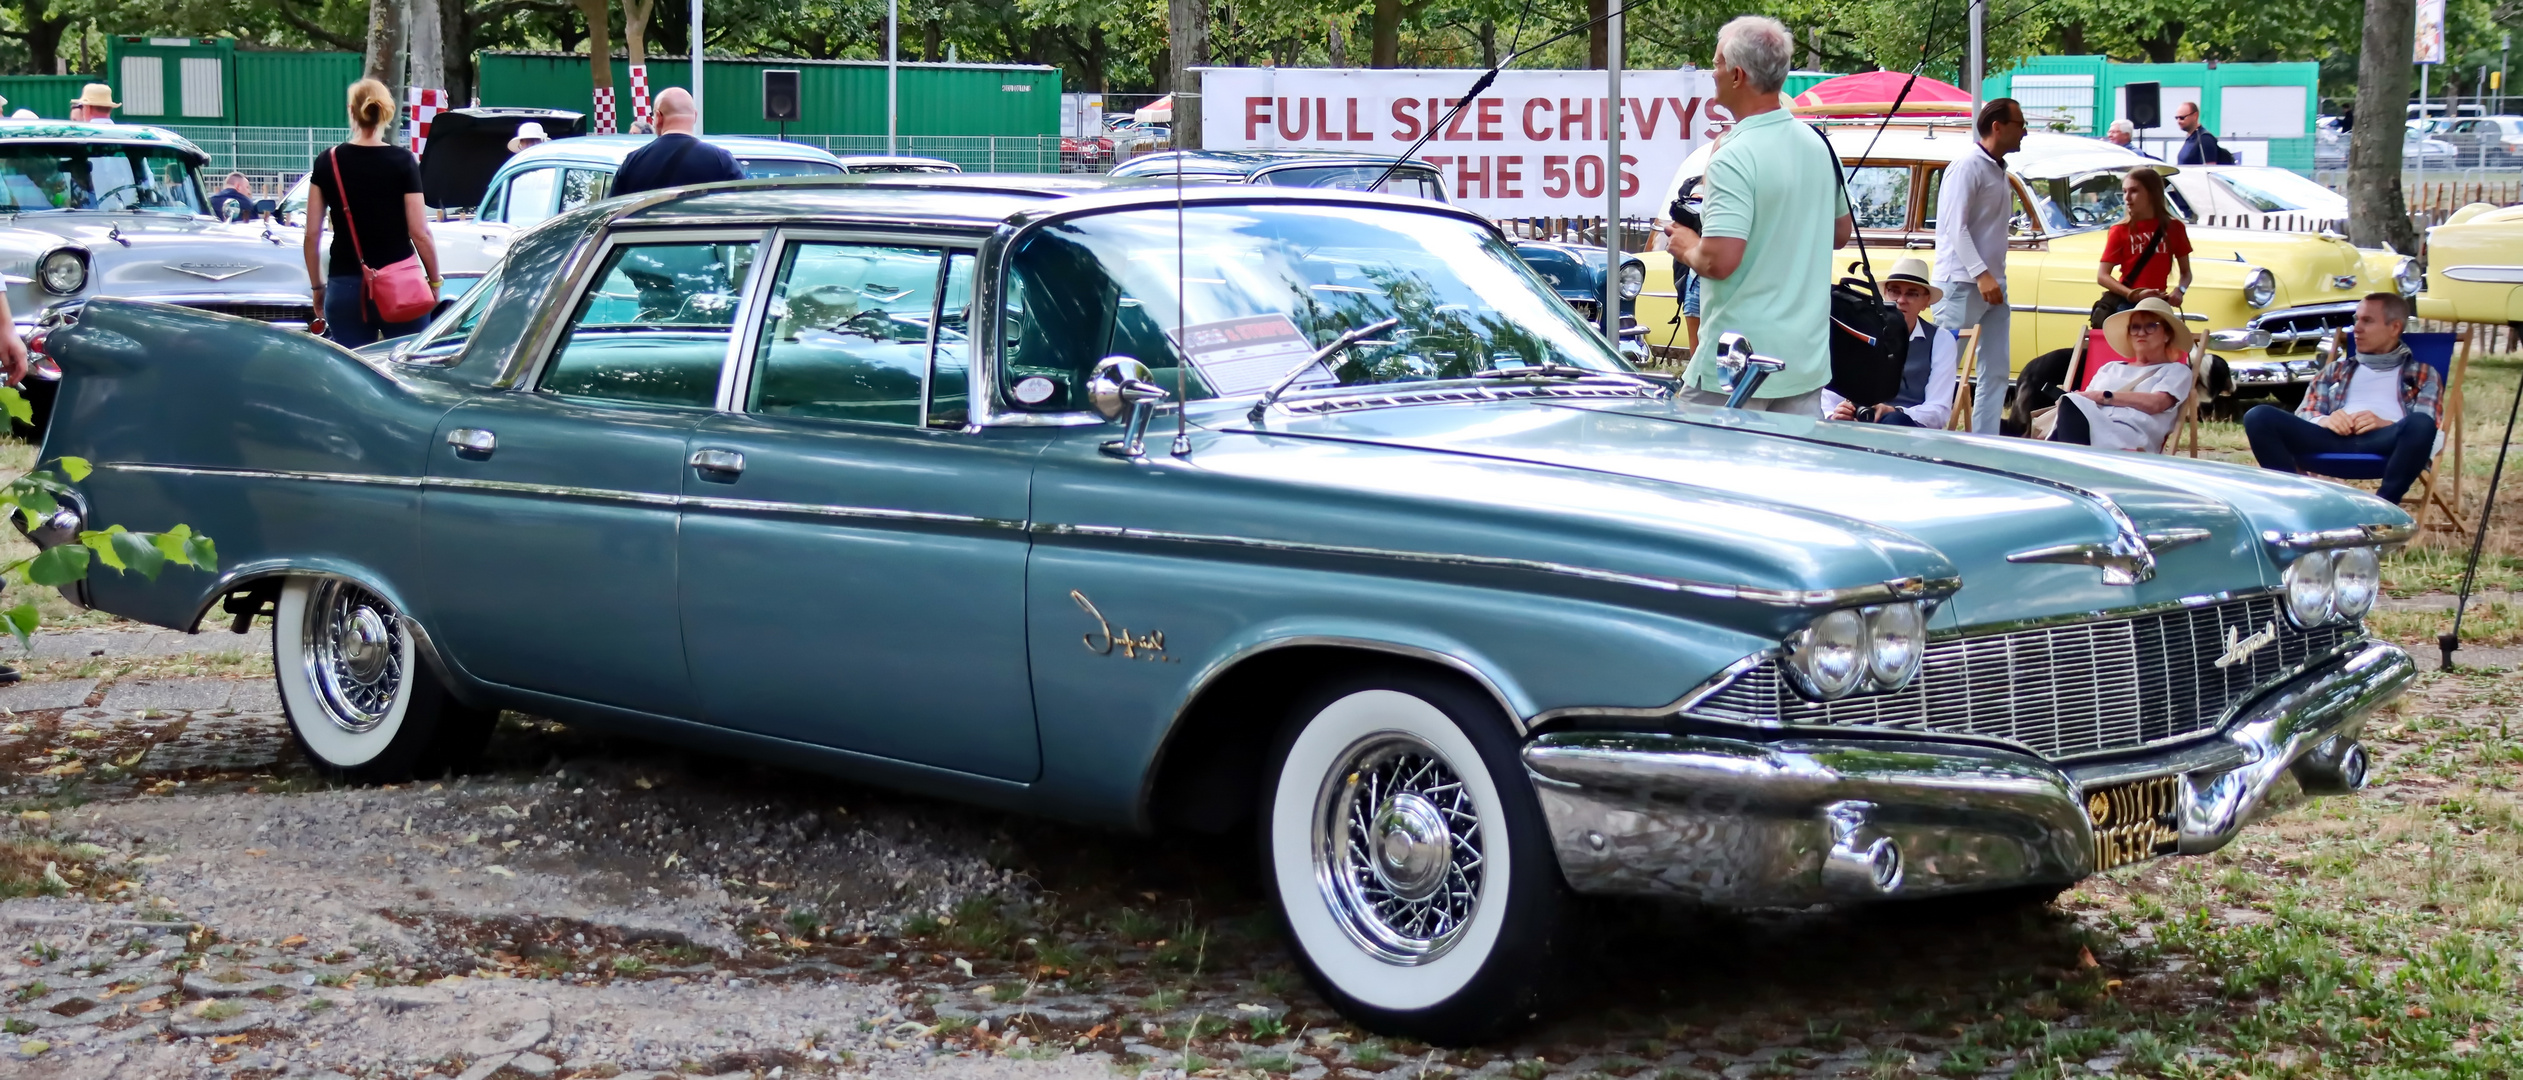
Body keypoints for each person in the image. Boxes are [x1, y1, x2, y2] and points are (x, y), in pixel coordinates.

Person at [1667, 15, 1853, 415]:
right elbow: (1840, 233)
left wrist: (1685, 246)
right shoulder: (1820, 145)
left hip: (1738, 362)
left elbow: (1719, 261)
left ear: (1737, 75)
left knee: (1701, 470)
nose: (1711, 73)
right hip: (1805, 358)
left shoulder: (1734, 154)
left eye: (1715, 64)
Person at [2242, 293, 2443, 504]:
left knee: (2421, 424)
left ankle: (2383, 507)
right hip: (2332, 438)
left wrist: (2387, 424)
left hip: (2385, 442)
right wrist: (2324, 420)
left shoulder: (2421, 373)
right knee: (2259, 416)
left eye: (2367, 321)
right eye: (2357, 320)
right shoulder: (2335, 370)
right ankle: (2298, 499)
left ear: (2394, 328)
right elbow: (2305, 411)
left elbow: (2429, 425)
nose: (2356, 328)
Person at [304, 78, 441, 348]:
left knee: (353, 375)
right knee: (405, 372)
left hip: (345, 287)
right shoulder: (403, 161)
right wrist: (435, 282)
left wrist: (318, 288)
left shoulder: (327, 161)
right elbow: (419, 232)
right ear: (388, 111)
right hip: (402, 285)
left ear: (350, 110)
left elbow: (311, 234)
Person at [1931, 97, 2026, 433]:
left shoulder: (1999, 169)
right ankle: (1923, 431)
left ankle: (1987, 440)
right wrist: (1981, 273)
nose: (2024, 132)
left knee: (1997, 368)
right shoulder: (1967, 166)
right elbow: (1955, 227)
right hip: (1961, 283)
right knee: (1943, 367)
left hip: (1992, 284)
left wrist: (1991, 277)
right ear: (1997, 127)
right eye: (2020, 124)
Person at [1823, 258, 1956, 428]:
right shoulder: (1863, 331)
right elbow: (1830, 393)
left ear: (1925, 302)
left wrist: (1895, 411)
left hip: (1908, 431)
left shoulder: (1940, 339)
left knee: (1894, 421)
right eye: (1894, 291)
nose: (1901, 300)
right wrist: (1836, 412)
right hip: (1857, 424)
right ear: (1884, 294)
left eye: (1912, 293)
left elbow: (1939, 411)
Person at [2047, 297, 2192, 451]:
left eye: (2151, 326)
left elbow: (2156, 403)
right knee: (2072, 403)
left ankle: (2064, 464)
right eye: (2135, 327)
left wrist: (2103, 396)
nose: (2141, 333)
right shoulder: (2109, 368)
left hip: (2132, 437)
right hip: (2092, 429)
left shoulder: (2176, 371)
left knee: (2073, 404)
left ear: (2167, 334)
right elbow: (2084, 404)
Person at [610, 87, 743, 197]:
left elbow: (613, 210)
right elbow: (743, 205)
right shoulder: (721, 160)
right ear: (695, 116)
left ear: (658, 117)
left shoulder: (633, 161)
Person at [2096, 166, 2192, 310]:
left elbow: (2186, 273)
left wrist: (2180, 291)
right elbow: (2102, 276)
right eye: (2124, 191)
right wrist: (2133, 294)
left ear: (2152, 193)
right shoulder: (2120, 229)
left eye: (2134, 191)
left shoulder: (2174, 227)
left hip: (2158, 303)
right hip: (2127, 303)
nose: (2127, 198)